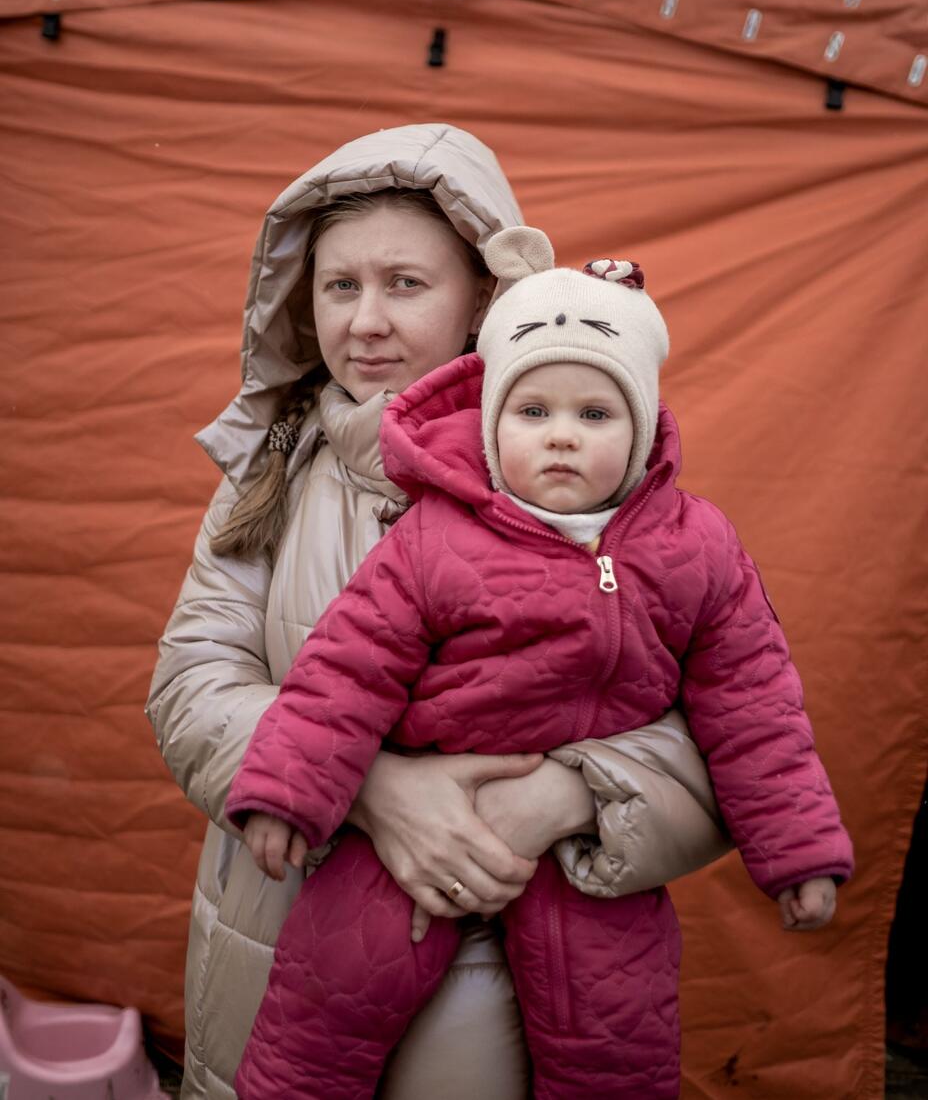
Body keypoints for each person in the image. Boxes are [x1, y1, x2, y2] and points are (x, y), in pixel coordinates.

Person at [147, 126, 728, 1100]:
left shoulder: (584, 474)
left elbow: (732, 718)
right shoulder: (273, 473)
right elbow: (191, 682)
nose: (365, 321)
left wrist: (567, 796)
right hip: (279, 939)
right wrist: (367, 785)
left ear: (479, 302)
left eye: (405, 284)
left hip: (504, 982)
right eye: (340, 286)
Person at [225, 226, 854, 1100]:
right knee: (324, 999)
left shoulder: (694, 546)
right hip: (415, 820)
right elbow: (345, 669)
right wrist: (289, 791)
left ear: (640, 429)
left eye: (594, 415)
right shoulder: (437, 538)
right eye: (534, 412)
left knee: (615, 1033)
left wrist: (797, 852)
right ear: (491, 425)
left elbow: (755, 704)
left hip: (584, 851)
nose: (562, 437)